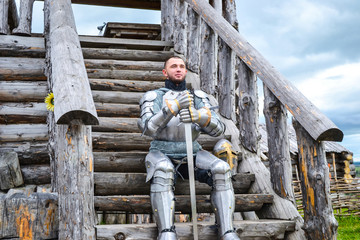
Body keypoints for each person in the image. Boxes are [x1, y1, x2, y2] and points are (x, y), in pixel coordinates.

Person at [138, 56, 240, 240]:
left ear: (185, 71)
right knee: (162, 170)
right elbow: (148, 128)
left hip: (193, 151)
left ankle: (227, 231)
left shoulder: (199, 97)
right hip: (161, 150)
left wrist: (200, 117)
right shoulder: (153, 96)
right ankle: (166, 232)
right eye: (173, 66)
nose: (178, 69)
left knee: (222, 169)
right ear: (165, 72)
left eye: (182, 66)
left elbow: (218, 129)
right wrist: (172, 109)